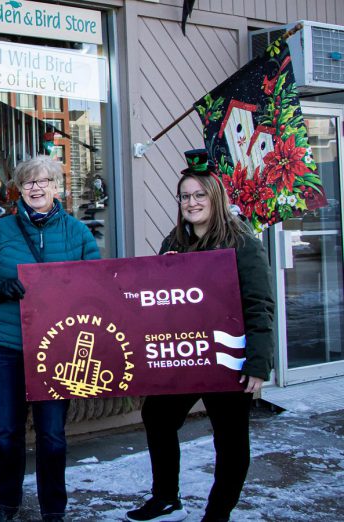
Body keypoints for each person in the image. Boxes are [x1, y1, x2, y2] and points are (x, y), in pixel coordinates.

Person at [126, 149, 275, 522]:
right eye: (185, 196)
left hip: (228, 357)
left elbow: (259, 306)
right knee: (157, 416)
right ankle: (166, 496)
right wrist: (167, 270)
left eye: (199, 195)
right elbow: (157, 300)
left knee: (230, 438)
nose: (191, 203)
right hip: (186, 353)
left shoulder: (242, 242)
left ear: (215, 197)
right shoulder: (174, 240)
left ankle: (218, 512)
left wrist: (258, 365)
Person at [0, 155, 100, 522]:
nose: (36, 188)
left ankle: (53, 509)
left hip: (57, 347)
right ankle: (6, 504)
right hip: (6, 345)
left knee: (52, 434)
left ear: (57, 187)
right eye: (28, 182)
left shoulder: (78, 233)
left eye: (44, 181)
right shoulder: (0, 232)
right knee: (8, 432)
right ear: (19, 189)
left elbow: (98, 287)